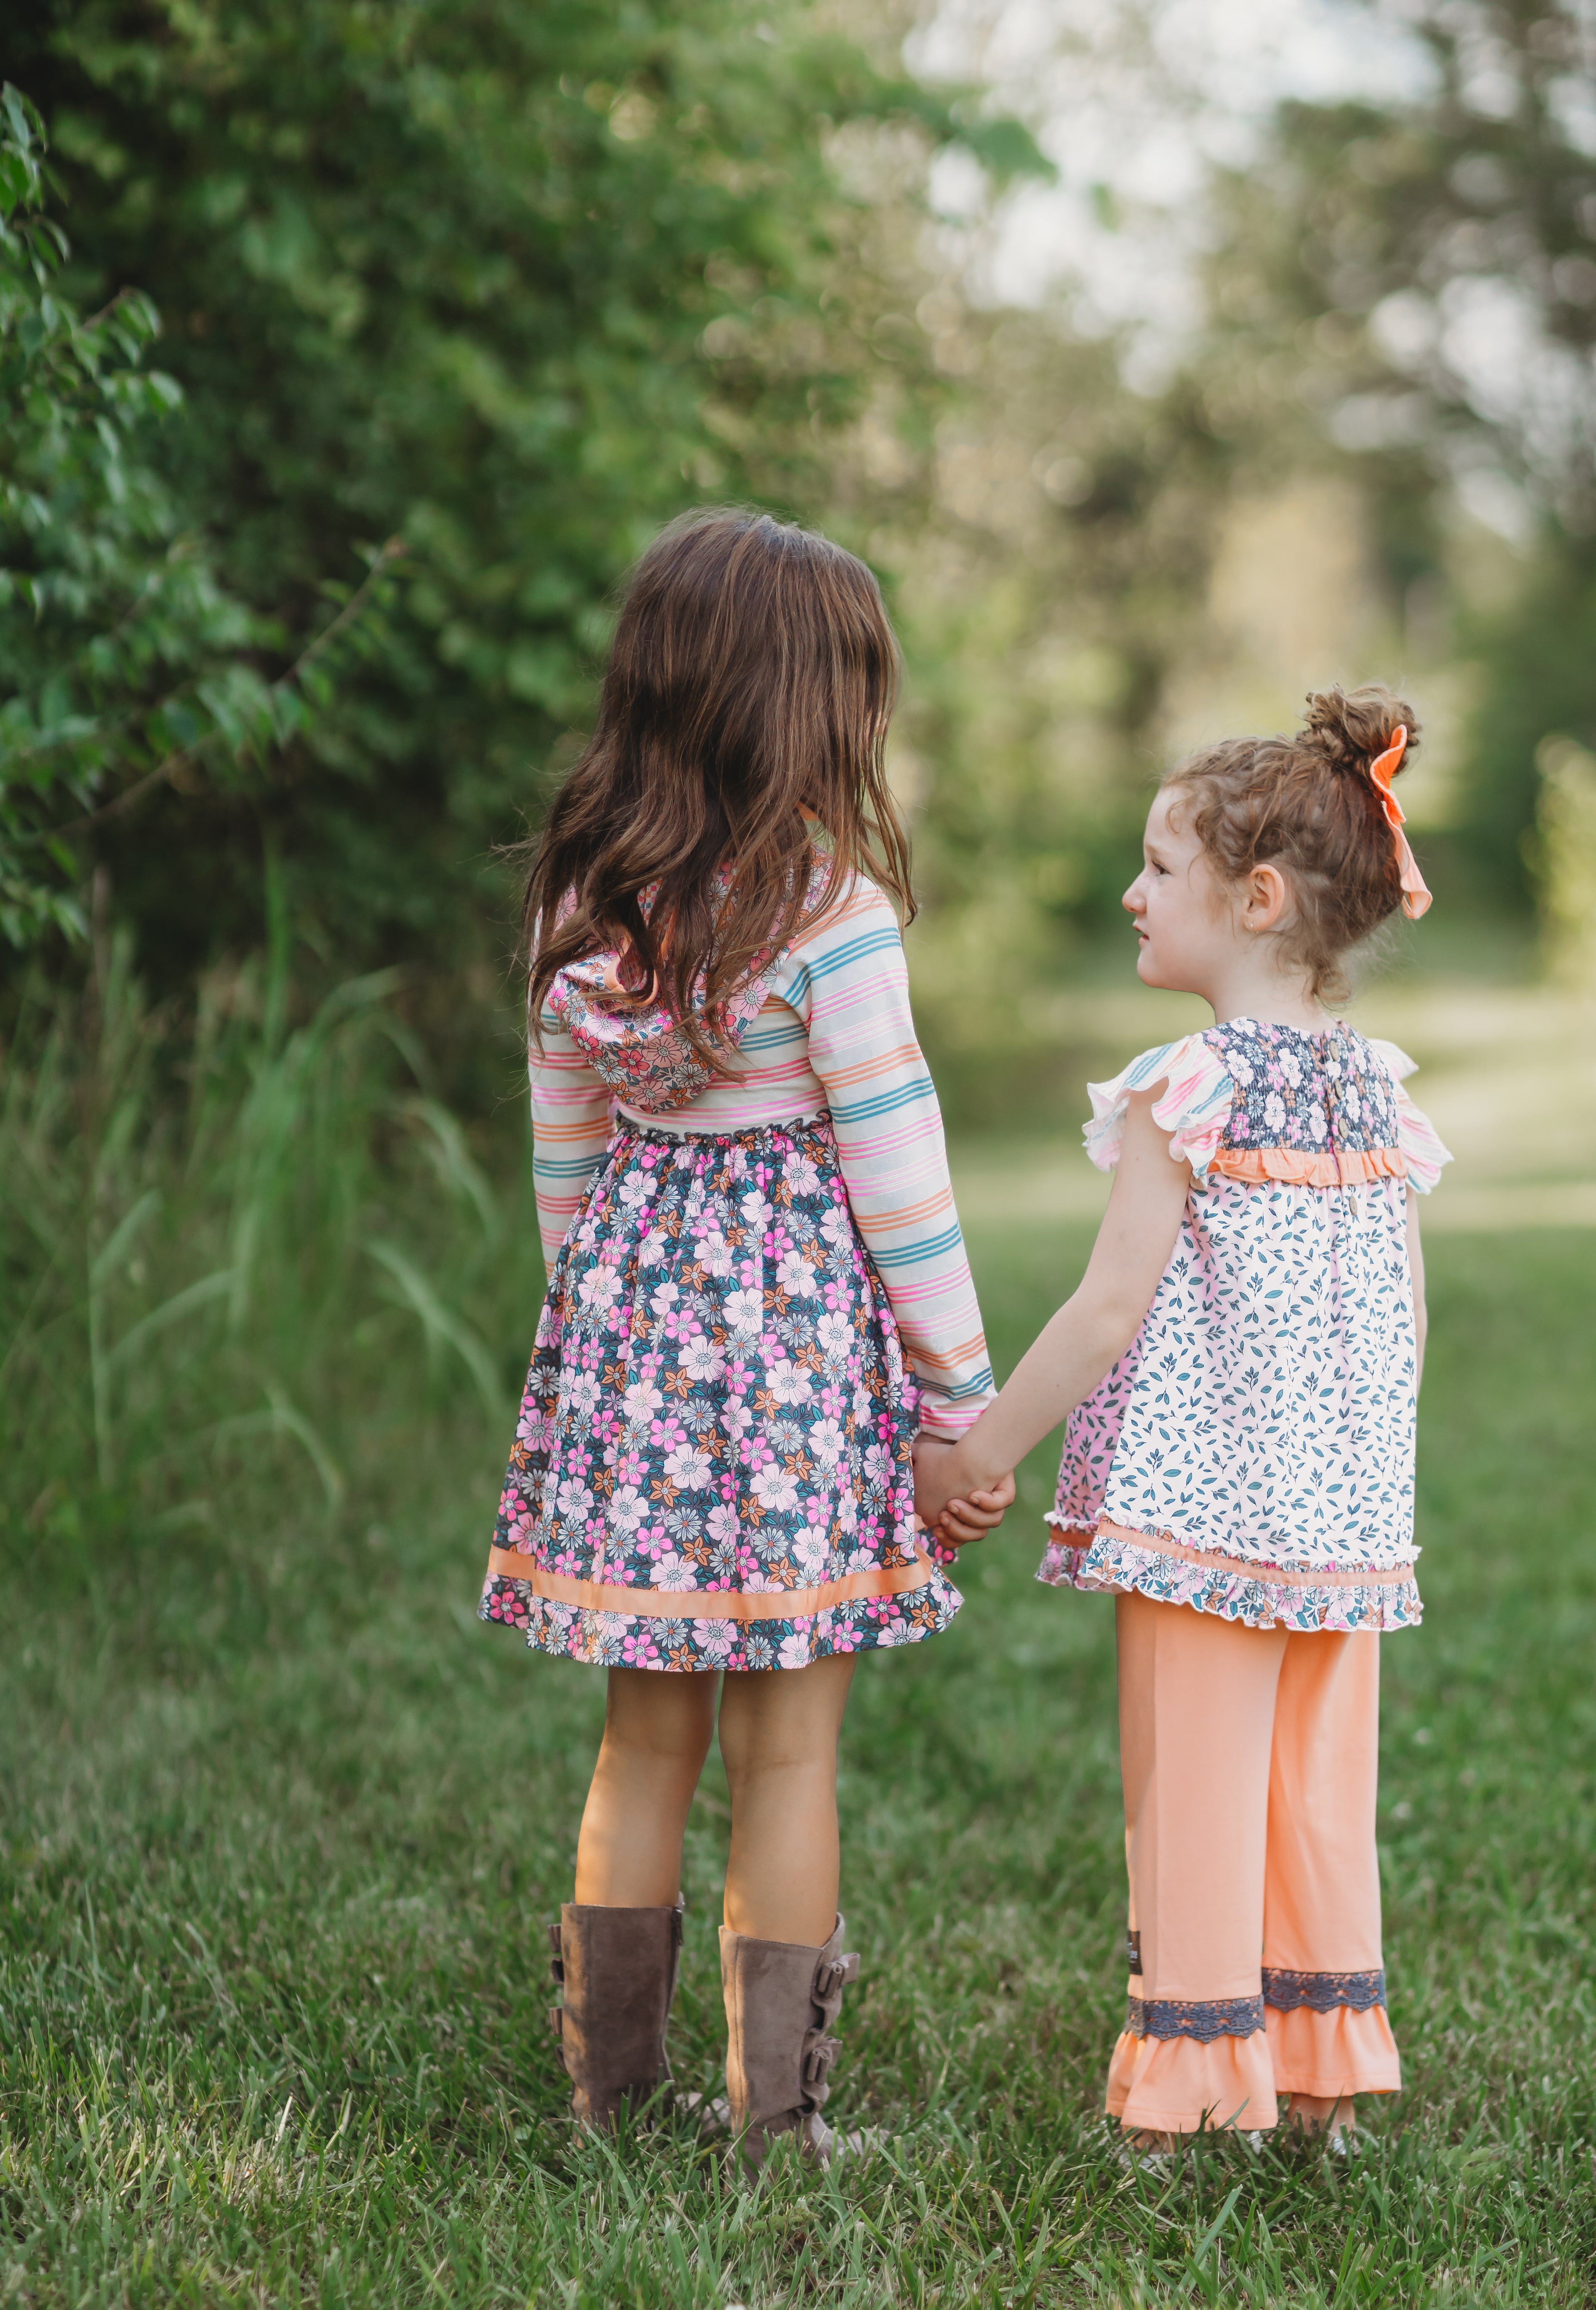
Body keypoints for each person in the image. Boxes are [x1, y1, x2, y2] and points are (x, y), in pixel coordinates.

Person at [479, 507, 1010, 2167]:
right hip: (789, 1368)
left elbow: (565, 1148)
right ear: (799, 706)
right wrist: (958, 1397)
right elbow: (899, 1172)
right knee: (789, 1739)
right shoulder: (829, 910)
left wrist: (603, 1337)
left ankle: (612, 2099)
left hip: (637, 1346)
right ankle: (776, 2120)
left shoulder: (584, 893)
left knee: (645, 1734)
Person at [918, 685, 1451, 2150]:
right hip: (1340, 1526)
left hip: (1201, 1515)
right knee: (1316, 1790)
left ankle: (1192, 2093)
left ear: (1256, 898)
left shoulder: (1190, 1088)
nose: (1133, 893)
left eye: (1159, 869)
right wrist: (1358, 1474)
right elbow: (1407, 1317)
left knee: (1195, 1787)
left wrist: (980, 1451)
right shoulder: (1373, 1091)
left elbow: (1104, 1311)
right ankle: (1326, 2077)